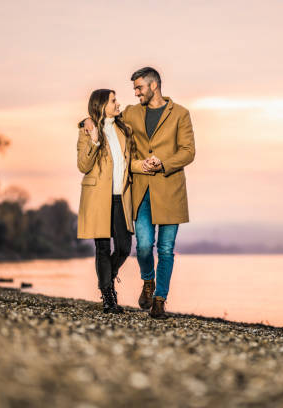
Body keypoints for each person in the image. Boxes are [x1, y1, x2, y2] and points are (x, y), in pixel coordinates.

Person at [85, 67, 195, 319]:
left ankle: (159, 300)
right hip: (141, 189)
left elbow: (188, 151)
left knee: (166, 249)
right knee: (144, 246)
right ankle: (148, 280)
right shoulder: (132, 113)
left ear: (153, 86)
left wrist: (163, 161)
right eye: (134, 89)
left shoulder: (181, 114)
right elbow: (105, 116)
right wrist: (87, 122)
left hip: (170, 189)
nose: (135, 93)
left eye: (139, 88)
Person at [77, 89, 135, 314]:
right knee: (102, 248)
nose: (117, 103)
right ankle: (108, 298)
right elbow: (83, 166)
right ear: (101, 105)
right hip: (97, 197)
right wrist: (93, 140)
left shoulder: (124, 129)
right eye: (113, 101)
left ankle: (106, 282)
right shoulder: (87, 131)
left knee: (123, 247)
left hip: (122, 196)